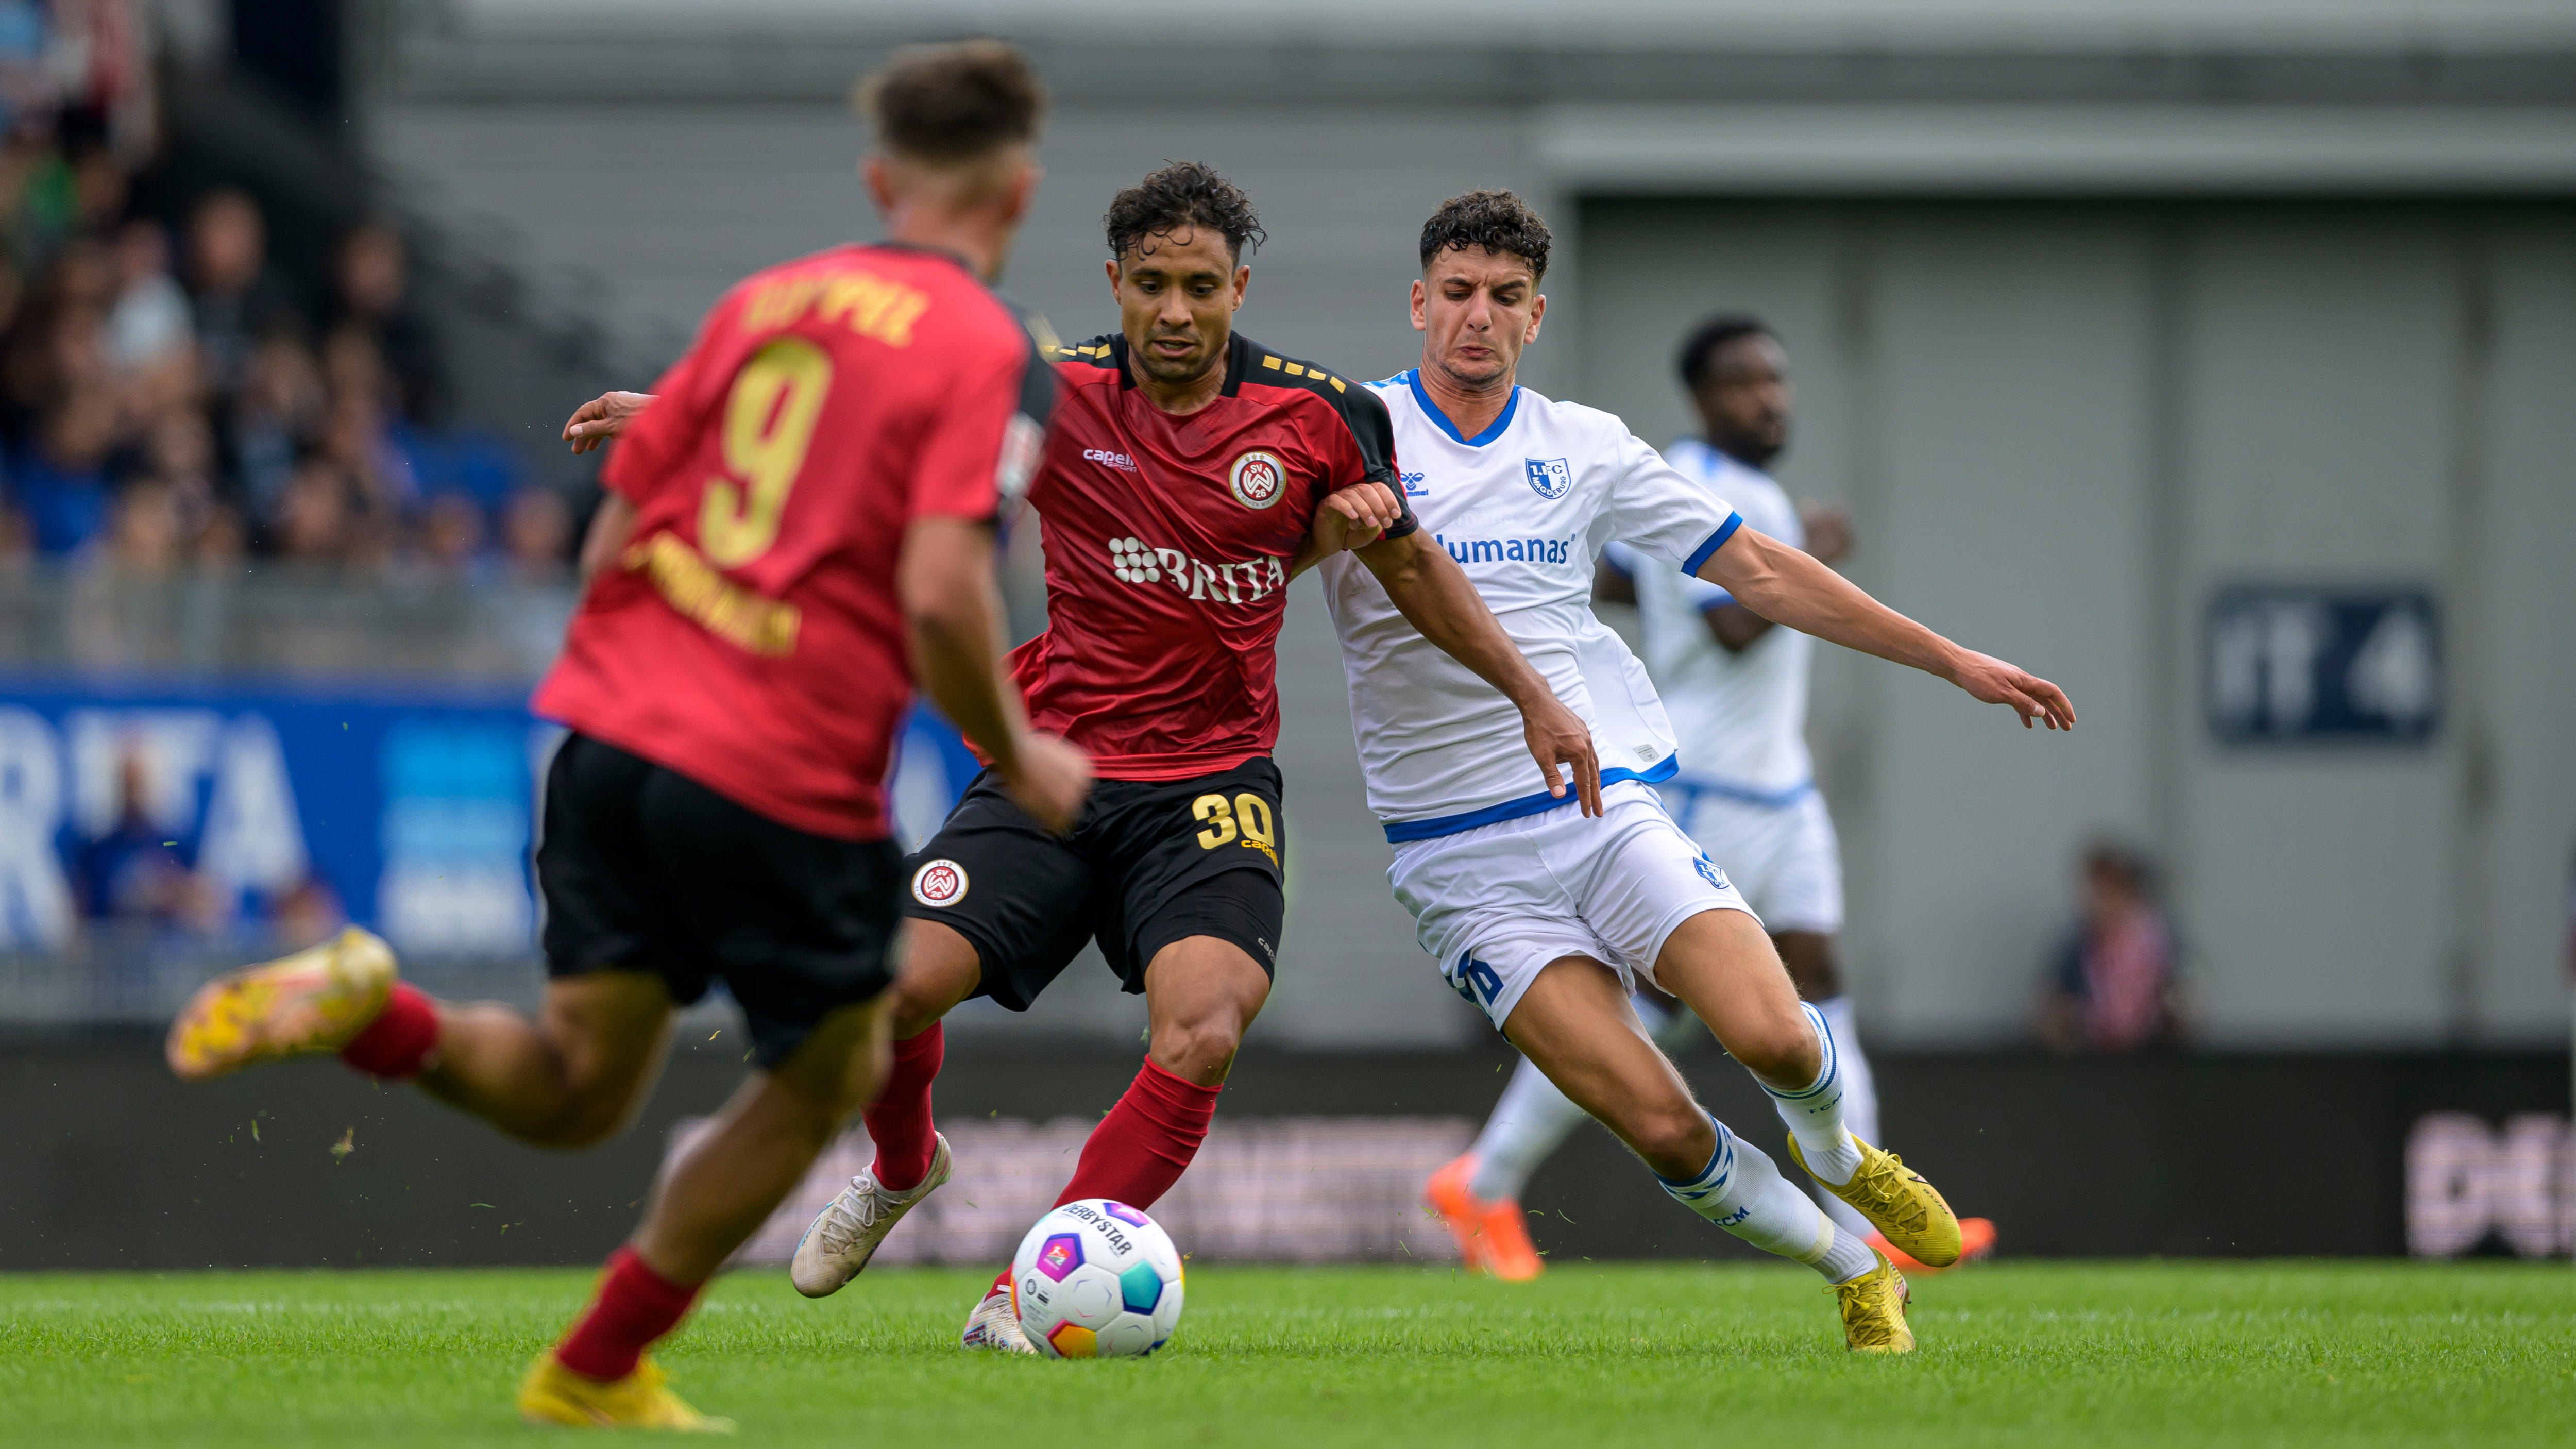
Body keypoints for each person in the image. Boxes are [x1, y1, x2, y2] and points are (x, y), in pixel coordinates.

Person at [163, 40, 1087, 1429]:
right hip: (775, 758)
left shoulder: (764, 303)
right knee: (828, 1069)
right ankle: (594, 1364)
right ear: (1015, 194)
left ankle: (374, 1008)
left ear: (880, 178)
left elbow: (619, 527)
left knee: (578, 1087)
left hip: (607, 731)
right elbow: (949, 586)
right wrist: (1021, 752)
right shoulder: (991, 347)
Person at [760, 162, 1596, 1352]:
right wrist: (689, 419)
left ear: (1236, 288)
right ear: (1115, 282)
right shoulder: (1051, 395)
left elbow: (1418, 573)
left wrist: (1536, 697)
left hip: (1209, 785)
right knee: (882, 989)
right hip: (1054, 770)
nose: (1173, 309)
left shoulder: (1320, 418)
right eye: (1149, 283)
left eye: (1199, 286)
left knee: (1205, 1024)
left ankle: (1029, 1284)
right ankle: (902, 1166)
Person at [1318, 192, 2073, 1351]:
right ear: (1419, 302)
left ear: (1536, 316)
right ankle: (1851, 1268)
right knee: (1665, 1125)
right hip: (1454, 860)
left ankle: (1839, 1156)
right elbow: (1233, 538)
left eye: (1504, 298)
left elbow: (1761, 572)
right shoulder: (1349, 428)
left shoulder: (1584, 446)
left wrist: (1950, 657)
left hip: (1597, 806)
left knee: (1775, 1033)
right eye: (1457, 293)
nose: (1477, 318)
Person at [1428, 313, 1991, 1275]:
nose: (1768, 398)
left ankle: (1878, 1219)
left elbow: (1618, 578)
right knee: (1648, 1015)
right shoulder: (1691, 480)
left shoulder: (1755, 488)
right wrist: (1811, 553)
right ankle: (1483, 1182)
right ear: (1701, 398)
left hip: (1784, 788)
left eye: (1777, 380)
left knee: (1820, 988)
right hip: (1704, 788)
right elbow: (1732, 626)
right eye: (1742, 383)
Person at [2037, 841, 2183, 1053]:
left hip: (2153, 1061)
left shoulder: (2163, 945)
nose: (2095, 900)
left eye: (2107, 890)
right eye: (2093, 890)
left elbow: (2182, 1006)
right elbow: (2050, 1006)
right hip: (2094, 1060)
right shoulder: (2077, 945)